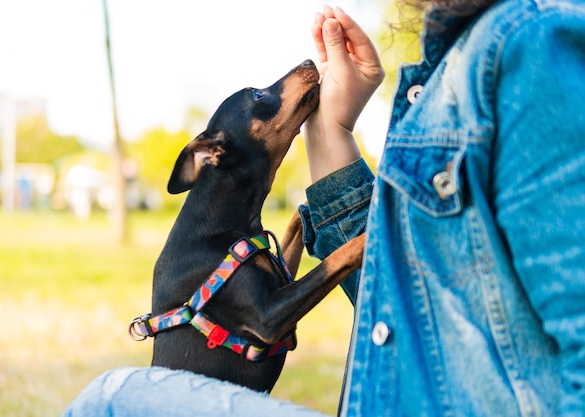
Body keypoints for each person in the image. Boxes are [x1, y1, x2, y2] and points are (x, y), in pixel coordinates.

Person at [62, 1, 585, 416]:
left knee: (111, 400)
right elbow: (399, 285)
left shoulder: (525, 48)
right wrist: (332, 127)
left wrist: (357, 247)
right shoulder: (464, 62)